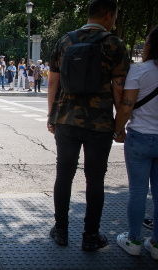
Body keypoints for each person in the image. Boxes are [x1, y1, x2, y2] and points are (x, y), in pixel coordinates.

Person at [47, 0, 130, 251]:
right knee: (95, 179)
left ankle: (61, 230)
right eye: (114, 17)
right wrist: (119, 125)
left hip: (66, 120)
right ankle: (90, 235)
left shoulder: (65, 41)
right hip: (100, 123)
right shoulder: (114, 44)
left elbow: (52, 83)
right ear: (108, 15)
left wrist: (52, 115)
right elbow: (119, 89)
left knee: (64, 174)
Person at [115, 25, 158, 260]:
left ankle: (133, 240)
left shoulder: (140, 70)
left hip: (140, 136)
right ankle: (157, 244)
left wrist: (117, 130)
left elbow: (127, 106)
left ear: (149, 46)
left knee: (138, 191)